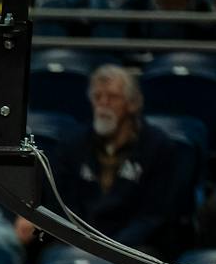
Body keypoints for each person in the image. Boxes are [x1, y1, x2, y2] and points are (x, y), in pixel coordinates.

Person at [56, 65, 186, 252]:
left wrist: (115, 249)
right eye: (97, 97)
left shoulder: (158, 147)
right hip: (79, 241)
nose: (103, 104)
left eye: (112, 97)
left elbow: (154, 215)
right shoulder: (72, 144)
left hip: (135, 247)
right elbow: (63, 203)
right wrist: (82, 240)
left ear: (133, 104)